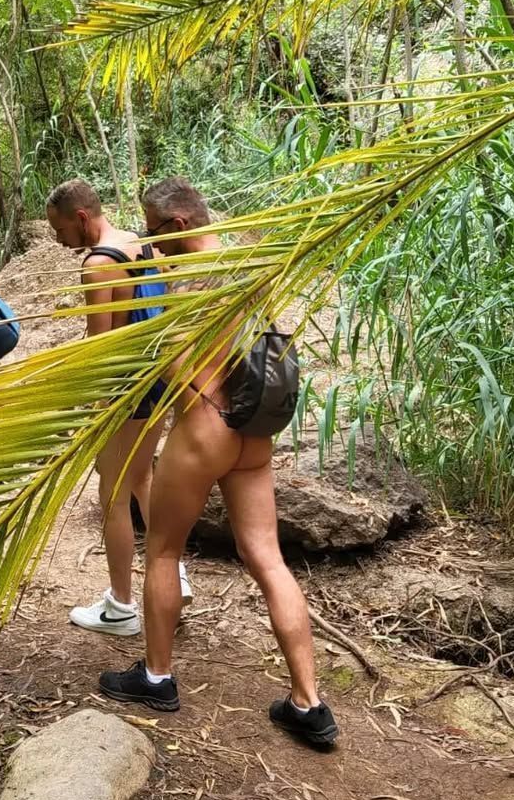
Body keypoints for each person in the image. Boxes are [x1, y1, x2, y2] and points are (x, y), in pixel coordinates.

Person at [98, 176, 339, 746]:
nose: (155, 247)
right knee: (267, 558)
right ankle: (309, 702)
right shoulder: (248, 258)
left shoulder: (186, 278)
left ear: (180, 224)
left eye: (157, 235)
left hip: (207, 426)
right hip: (255, 430)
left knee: (162, 548)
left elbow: (178, 366)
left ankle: (156, 677)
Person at [45, 179, 193, 637]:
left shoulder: (97, 267)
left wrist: (93, 405)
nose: (58, 239)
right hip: (156, 381)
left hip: (125, 390)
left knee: (111, 493)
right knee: (143, 476)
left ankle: (121, 607)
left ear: (82, 218)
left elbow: (101, 346)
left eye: (60, 228)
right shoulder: (138, 243)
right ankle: (175, 574)